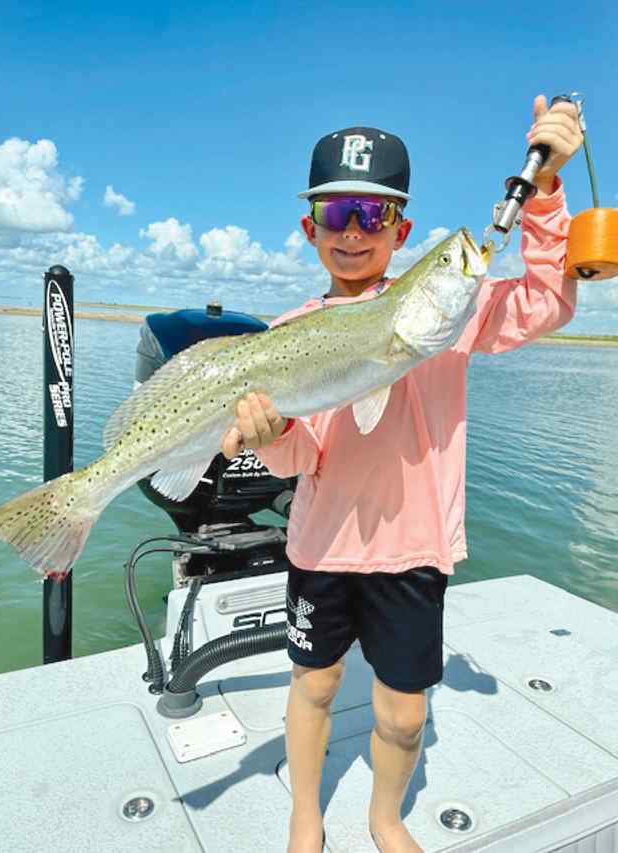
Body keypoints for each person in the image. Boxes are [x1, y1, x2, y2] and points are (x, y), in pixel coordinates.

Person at [221, 97, 583, 853]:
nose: (353, 230)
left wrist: (546, 193)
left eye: (372, 214)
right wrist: (270, 432)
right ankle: (304, 813)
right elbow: (295, 460)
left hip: (414, 554)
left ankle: (385, 816)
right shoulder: (286, 335)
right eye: (337, 212)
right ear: (309, 228)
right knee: (313, 685)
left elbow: (546, 301)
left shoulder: (448, 310)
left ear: (402, 231)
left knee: (404, 713)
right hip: (320, 550)